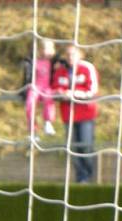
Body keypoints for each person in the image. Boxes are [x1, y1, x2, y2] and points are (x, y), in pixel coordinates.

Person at [52, 44, 99, 184]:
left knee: (86, 145)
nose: (70, 57)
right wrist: (60, 93)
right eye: (67, 54)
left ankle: (89, 176)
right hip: (68, 115)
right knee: (72, 147)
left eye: (73, 54)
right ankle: (80, 178)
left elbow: (92, 90)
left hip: (85, 114)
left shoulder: (87, 68)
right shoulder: (60, 70)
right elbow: (55, 87)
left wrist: (73, 94)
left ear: (80, 55)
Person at [23, 39, 58, 139]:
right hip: (35, 86)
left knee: (49, 99)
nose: (46, 51)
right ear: (39, 50)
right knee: (30, 104)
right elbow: (28, 74)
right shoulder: (33, 60)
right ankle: (33, 130)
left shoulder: (53, 61)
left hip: (47, 87)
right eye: (44, 48)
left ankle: (48, 122)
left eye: (49, 49)